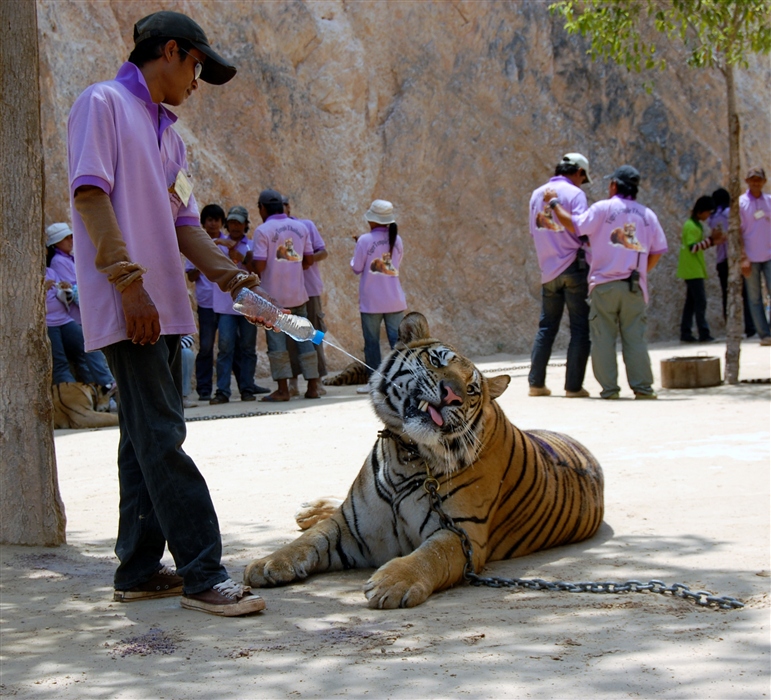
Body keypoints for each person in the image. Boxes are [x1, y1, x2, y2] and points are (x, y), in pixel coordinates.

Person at [67, 10, 265, 616]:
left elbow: (184, 225)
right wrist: (129, 285)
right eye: (197, 66)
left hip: (163, 307)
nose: (197, 81)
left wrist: (238, 284)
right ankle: (204, 571)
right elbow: (89, 193)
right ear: (172, 52)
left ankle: (137, 568)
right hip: (132, 304)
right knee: (163, 436)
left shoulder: (170, 135)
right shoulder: (101, 103)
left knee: (142, 438)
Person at [545, 165, 668, 399]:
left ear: (613, 185)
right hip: (633, 286)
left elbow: (574, 224)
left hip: (603, 285)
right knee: (635, 339)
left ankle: (610, 390)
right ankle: (642, 388)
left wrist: (553, 204)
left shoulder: (602, 208)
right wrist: (642, 272)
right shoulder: (648, 215)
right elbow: (658, 250)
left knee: (603, 339)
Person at [527, 153, 592, 398]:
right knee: (579, 327)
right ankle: (573, 387)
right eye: (583, 178)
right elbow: (581, 228)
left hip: (548, 269)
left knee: (547, 326)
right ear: (579, 172)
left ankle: (536, 383)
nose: (582, 182)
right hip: (574, 265)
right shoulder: (576, 194)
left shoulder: (536, 195)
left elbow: (535, 232)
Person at [251, 189, 321, 401]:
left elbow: (260, 265)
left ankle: (283, 389)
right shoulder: (300, 228)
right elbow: (309, 260)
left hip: (273, 298)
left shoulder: (263, 230)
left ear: (262, 208)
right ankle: (313, 387)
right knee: (305, 339)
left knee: (277, 345)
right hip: (298, 294)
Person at [209, 206, 269, 404]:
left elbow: (257, 271)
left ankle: (247, 388)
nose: (235, 226)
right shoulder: (217, 246)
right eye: (232, 222)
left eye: (239, 222)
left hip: (249, 305)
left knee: (247, 348)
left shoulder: (251, 246)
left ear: (245, 225)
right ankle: (222, 391)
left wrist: (238, 254)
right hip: (225, 305)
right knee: (225, 348)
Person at [47, 223, 115, 390]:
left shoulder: (69, 259)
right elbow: (75, 289)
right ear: (55, 243)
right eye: (66, 238)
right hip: (76, 316)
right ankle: (103, 387)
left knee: (87, 354)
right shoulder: (58, 262)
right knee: (74, 356)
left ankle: (99, 392)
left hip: (72, 317)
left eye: (71, 236)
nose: (71, 240)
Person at [351, 199, 407, 393]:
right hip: (394, 300)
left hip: (371, 302)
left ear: (372, 220)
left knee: (372, 343)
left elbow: (356, 267)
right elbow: (396, 264)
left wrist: (358, 246)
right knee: (399, 343)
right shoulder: (397, 239)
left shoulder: (365, 240)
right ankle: (403, 381)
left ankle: (375, 381)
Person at [283, 195, 328, 397]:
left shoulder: (305, 225)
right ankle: (293, 381)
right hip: (289, 291)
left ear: (289, 207)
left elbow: (322, 252)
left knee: (315, 333)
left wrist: (303, 260)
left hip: (309, 289)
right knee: (290, 336)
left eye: (284, 205)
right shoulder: (274, 230)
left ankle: (317, 380)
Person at [185, 203, 223, 401]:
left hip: (226, 304)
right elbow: (191, 276)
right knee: (206, 346)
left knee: (228, 346)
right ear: (203, 222)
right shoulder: (197, 244)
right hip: (207, 303)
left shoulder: (227, 244)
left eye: (217, 220)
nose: (213, 223)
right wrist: (204, 262)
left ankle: (235, 387)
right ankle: (204, 388)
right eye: (209, 220)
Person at [710, 188, 755, 337]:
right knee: (745, 293)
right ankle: (750, 327)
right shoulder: (731, 213)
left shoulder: (712, 218)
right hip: (735, 259)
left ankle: (731, 329)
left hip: (721, 260)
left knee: (726, 295)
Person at [677, 196, 720, 343]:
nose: (708, 216)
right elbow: (693, 247)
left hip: (694, 268)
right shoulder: (691, 226)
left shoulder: (696, 225)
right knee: (700, 301)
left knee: (691, 302)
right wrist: (711, 240)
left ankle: (686, 332)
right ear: (701, 211)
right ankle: (703, 332)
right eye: (708, 212)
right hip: (692, 269)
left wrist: (711, 241)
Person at [739, 167, 771, 345]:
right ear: (746, 181)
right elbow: (738, 233)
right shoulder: (741, 203)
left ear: (764, 181)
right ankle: (764, 335)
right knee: (755, 298)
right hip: (750, 257)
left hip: (769, 255)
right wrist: (743, 257)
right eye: (752, 179)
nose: (755, 182)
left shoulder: (769, 201)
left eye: (758, 179)